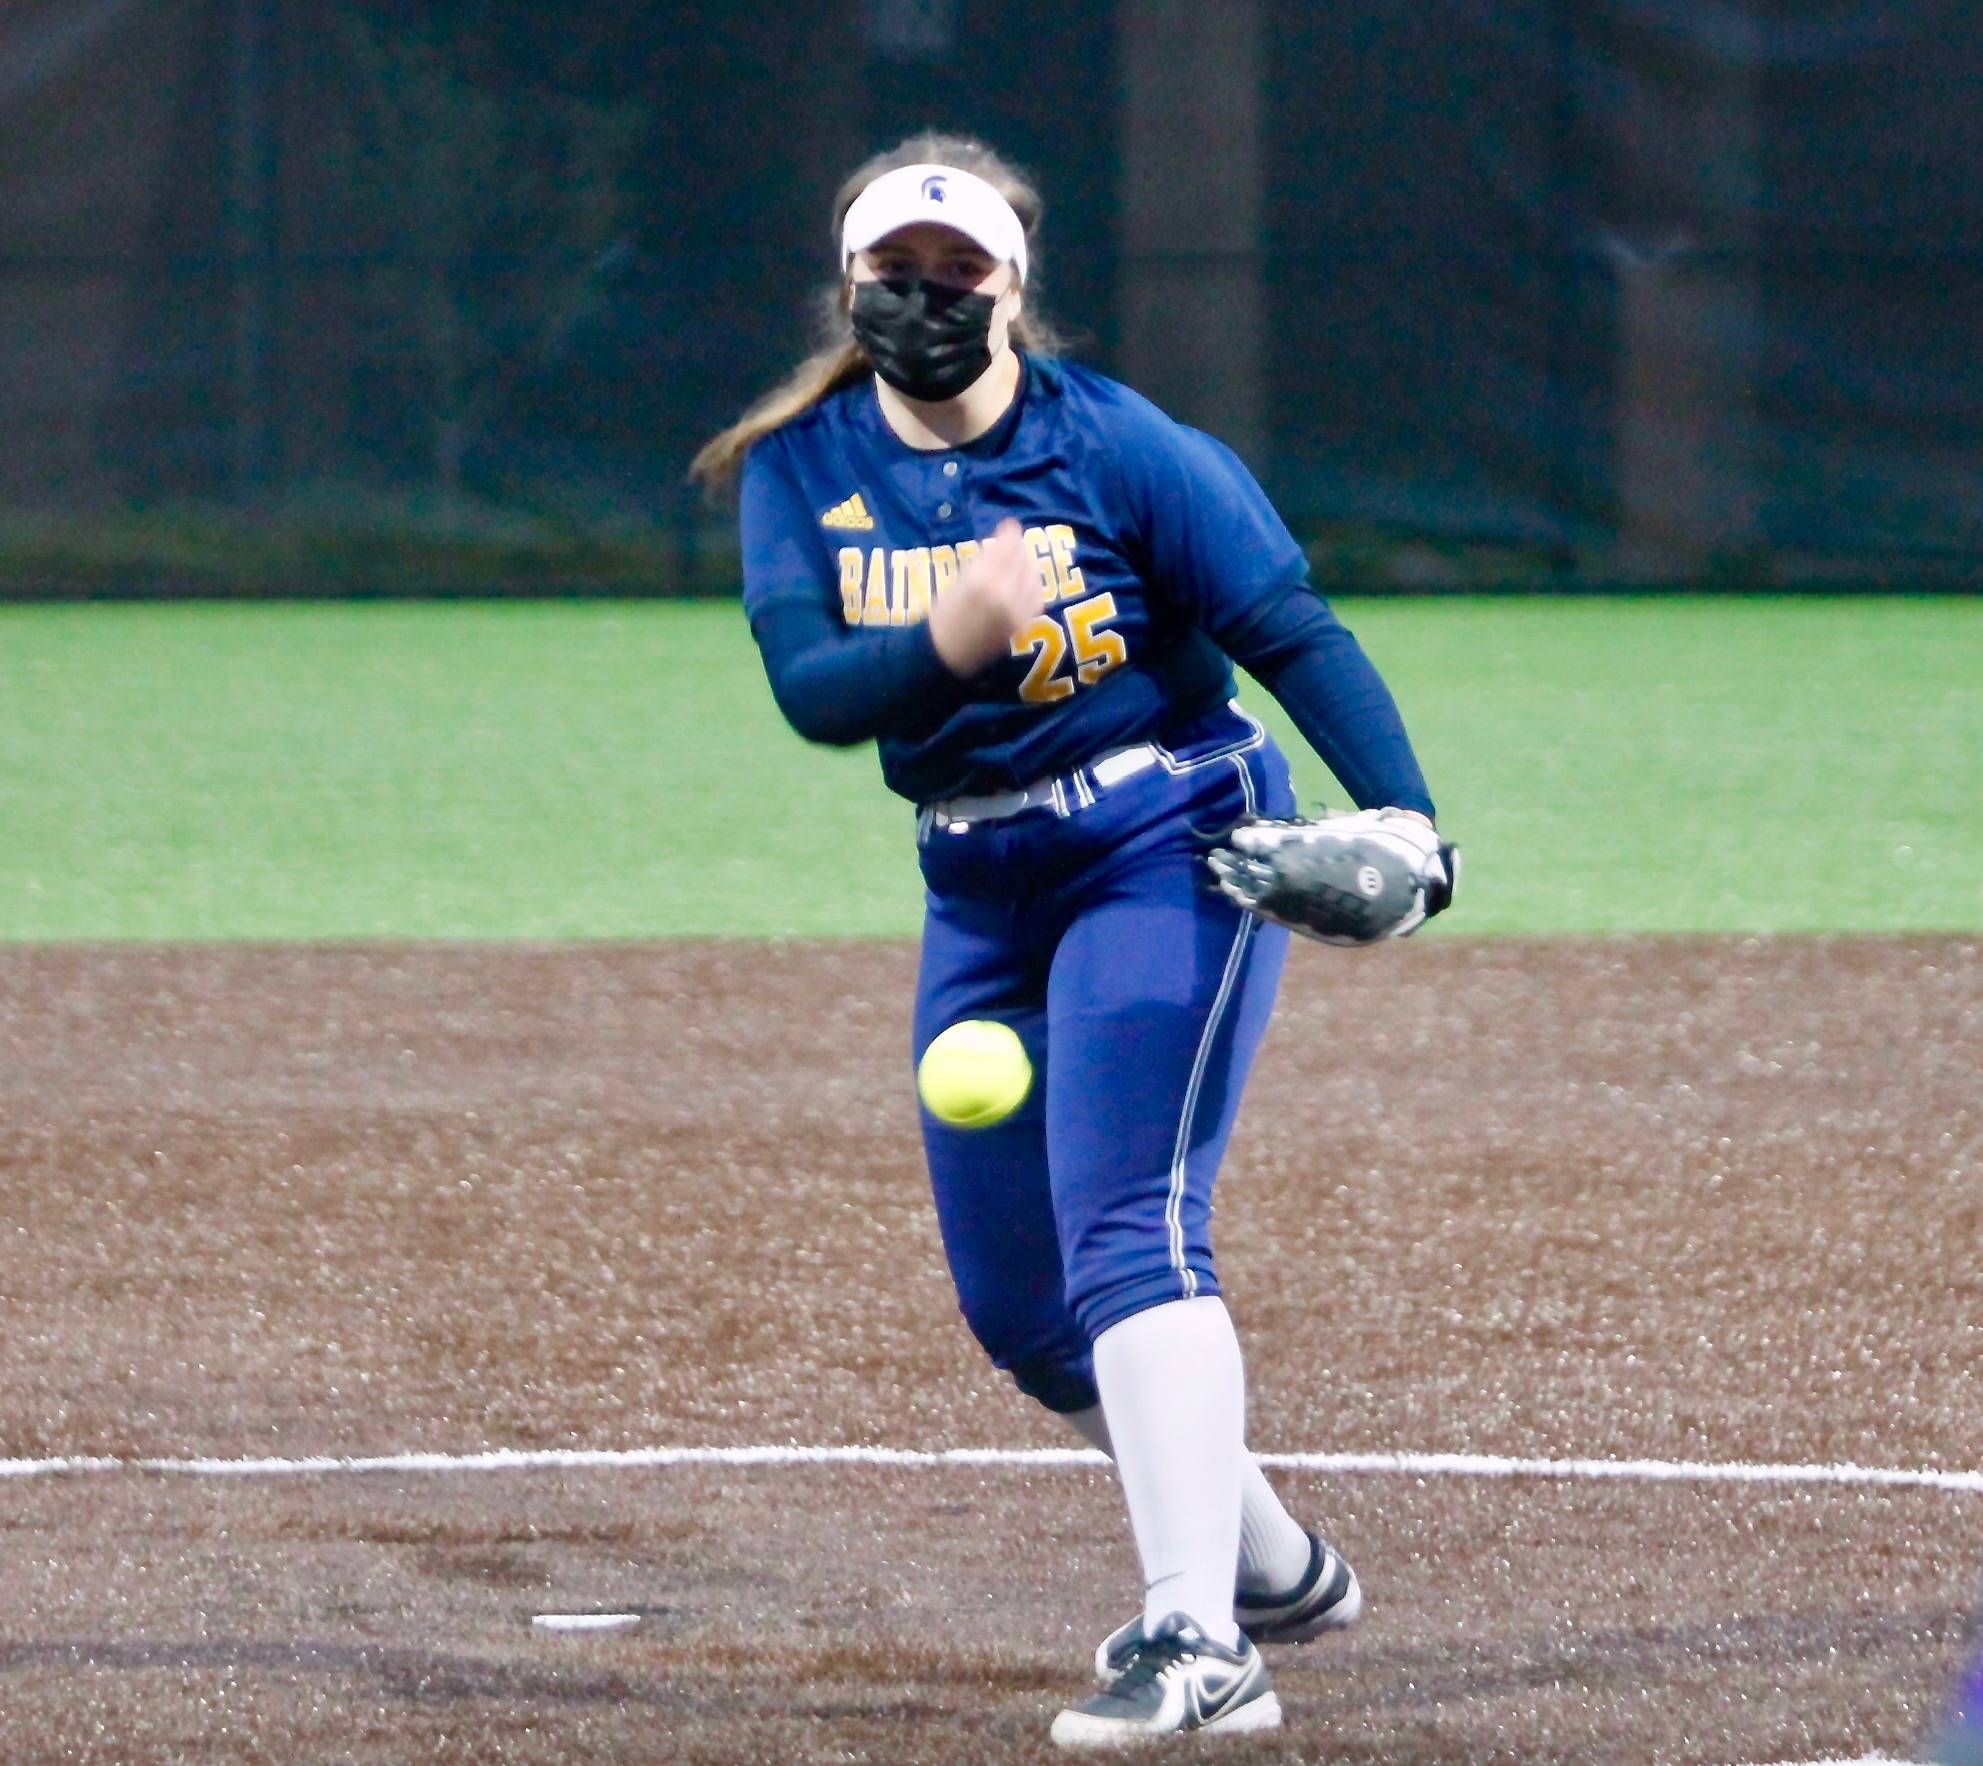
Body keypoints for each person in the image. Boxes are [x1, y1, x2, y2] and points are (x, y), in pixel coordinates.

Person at [691, 132, 1445, 1747]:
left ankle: (1198, 1638)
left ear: (1015, 287)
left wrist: (1412, 830)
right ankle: (1278, 1566)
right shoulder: (801, 466)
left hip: (1166, 839)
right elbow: (814, 692)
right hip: (977, 882)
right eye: (894, 271)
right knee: (1027, 1316)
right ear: (849, 285)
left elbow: (1288, 629)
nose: (924, 297)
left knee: (1128, 1228)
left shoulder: (1120, 448)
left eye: (957, 272)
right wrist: (950, 635)